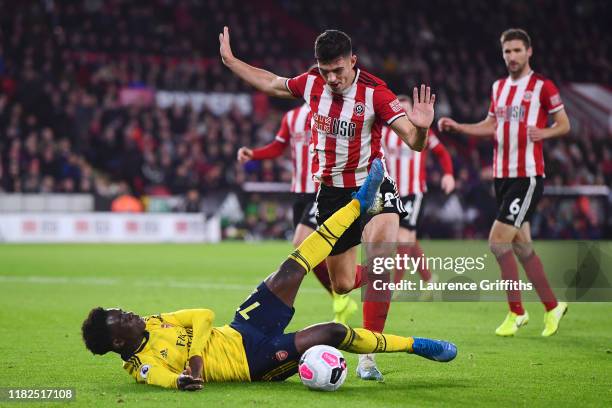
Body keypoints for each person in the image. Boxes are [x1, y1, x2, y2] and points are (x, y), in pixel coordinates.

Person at [81, 160, 457, 390]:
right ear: (117, 342)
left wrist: (195, 360)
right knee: (332, 332)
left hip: (240, 327)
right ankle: (414, 344)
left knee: (292, 267)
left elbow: (203, 315)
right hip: (255, 362)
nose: (130, 314)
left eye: (122, 311)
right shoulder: (142, 366)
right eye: (122, 319)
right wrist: (184, 378)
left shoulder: (150, 322)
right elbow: (166, 379)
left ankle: (358, 202)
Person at [219, 26, 436, 380]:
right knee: (343, 283)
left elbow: (413, 141)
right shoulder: (311, 83)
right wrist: (231, 62)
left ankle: (369, 355)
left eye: (338, 70)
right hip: (333, 194)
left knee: (380, 255)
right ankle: (386, 277)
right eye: (325, 71)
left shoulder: (376, 94)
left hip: (373, 184)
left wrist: (422, 127)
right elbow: (271, 82)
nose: (332, 78)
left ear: (353, 61)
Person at [438, 28, 571, 337]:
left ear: (529, 51)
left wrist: (545, 133)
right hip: (501, 176)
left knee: (497, 242)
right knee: (522, 248)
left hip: (527, 176)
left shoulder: (542, 87)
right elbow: (491, 125)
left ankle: (516, 313)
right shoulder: (498, 87)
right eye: (507, 51)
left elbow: (564, 124)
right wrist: (460, 127)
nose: (511, 56)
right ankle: (552, 307)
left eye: (516, 50)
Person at [237, 103, 358, 323]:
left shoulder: (332, 115)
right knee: (311, 251)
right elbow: (277, 147)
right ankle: (339, 295)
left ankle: (345, 290)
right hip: (299, 192)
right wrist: (253, 154)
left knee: (300, 242)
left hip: (321, 190)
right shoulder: (291, 116)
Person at [382, 95, 455, 296]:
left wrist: (448, 174)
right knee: (409, 238)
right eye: (401, 111)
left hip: (413, 192)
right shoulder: (385, 134)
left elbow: (442, 152)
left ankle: (394, 287)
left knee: (403, 237)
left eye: (408, 111)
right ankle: (430, 280)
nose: (404, 115)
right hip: (392, 193)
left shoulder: (422, 133)